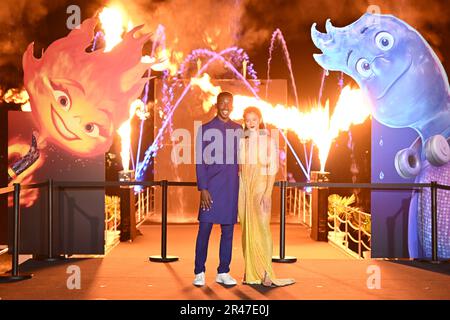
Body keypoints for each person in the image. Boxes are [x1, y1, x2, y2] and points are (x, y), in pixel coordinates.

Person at [238, 106, 295, 287]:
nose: (251, 123)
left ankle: (266, 273)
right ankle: (251, 271)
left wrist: (268, 192)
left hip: (261, 186)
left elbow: (273, 168)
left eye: (254, 119)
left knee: (262, 229)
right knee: (247, 229)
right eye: (248, 120)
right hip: (244, 188)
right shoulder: (242, 141)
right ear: (244, 121)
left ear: (260, 119)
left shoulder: (269, 140)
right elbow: (240, 169)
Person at [193, 92, 242, 286]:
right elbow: (199, 162)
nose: (226, 107)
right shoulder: (205, 130)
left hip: (231, 188)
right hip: (211, 189)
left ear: (233, 106)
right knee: (204, 229)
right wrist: (203, 188)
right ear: (216, 105)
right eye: (223, 103)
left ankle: (223, 271)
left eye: (229, 104)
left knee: (228, 232)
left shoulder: (239, 129)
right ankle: (199, 271)